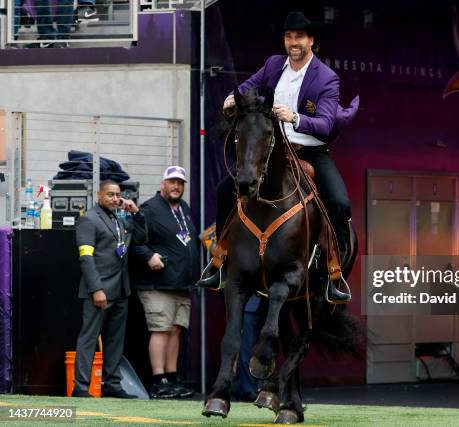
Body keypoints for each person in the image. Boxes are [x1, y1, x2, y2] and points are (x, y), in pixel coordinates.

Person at [200, 11, 359, 302]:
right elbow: (250, 86)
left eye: (299, 36)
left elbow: (325, 124)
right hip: (273, 151)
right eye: (288, 36)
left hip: (309, 149)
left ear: (311, 40)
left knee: (339, 203)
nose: (293, 42)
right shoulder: (274, 64)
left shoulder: (326, 78)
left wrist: (295, 117)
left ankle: (332, 273)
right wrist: (232, 98)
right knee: (225, 189)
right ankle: (220, 260)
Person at [72, 180, 146, 398]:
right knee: (89, 338)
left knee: (115, 341)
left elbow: (141, 238)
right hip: (100, 290)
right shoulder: (89, 220)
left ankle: (112, 384)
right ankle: (81, 387)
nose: (115, 199)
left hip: (121, 290)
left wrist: (136, 213)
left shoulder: (118, 218)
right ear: (99, 195)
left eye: (117, 195)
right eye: (110, 195)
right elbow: (86, 258)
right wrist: (96, 289)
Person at [131, 166, 199, 399]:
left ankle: (172, 378)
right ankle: (158, 381)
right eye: (172, 182)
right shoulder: (149, 209)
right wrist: (149, 256)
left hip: (181, 283)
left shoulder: (185, 209)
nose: (176, 186)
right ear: (163, 184)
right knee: (160, 330)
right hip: (157, 284)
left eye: (180, 183)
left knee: (176, 331)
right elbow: (134, 241)